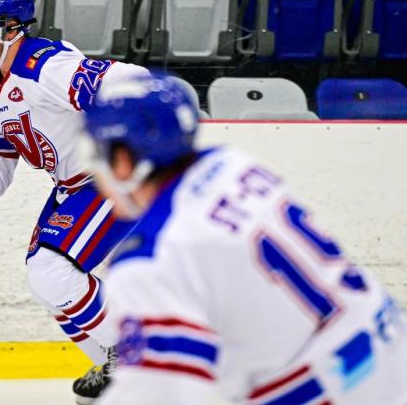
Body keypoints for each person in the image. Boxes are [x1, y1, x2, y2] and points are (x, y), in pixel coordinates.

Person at [80, 73, 407, 405]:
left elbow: (159, 394)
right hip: (390, 344)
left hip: (328, 389)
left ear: (123, 161)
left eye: (96, 153)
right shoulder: (236, 167)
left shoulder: (149, 259)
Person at [0, 0, 150, 404]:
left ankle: (141, 361)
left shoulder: (46, 66)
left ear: (12, 29)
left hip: (114, 176)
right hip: (73, 187)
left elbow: (134, 80)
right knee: (45, 282)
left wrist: (109, 100)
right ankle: (114, 369)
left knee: (51, 271)